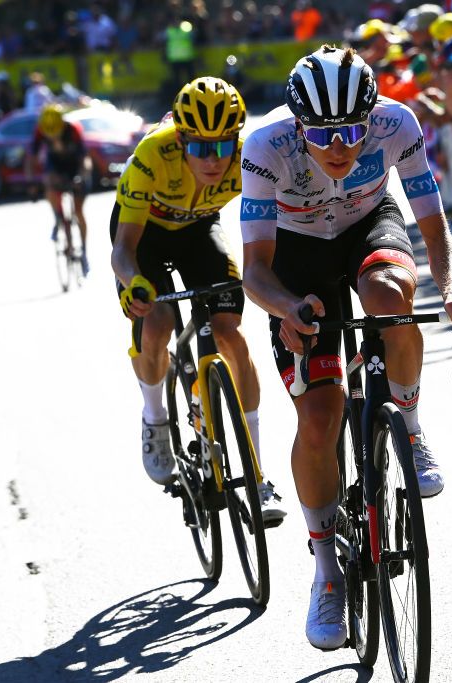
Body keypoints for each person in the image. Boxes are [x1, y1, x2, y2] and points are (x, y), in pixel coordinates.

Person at [239, 46, 452, 650]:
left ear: (371, 116)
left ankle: (407, 421)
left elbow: (437, 233)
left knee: (388, 292)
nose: (340, 146)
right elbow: (255, 270)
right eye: (323, 135)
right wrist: (286, 308)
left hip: (365, 226)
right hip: (296, 255)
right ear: (298, 124)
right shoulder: (266, 147)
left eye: (353, 131)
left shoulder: (396, 124)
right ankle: (326, 572)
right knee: (320, 419)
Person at [111, 77, 286, 525]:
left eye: (222, 147)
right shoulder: (152, 155)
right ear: (181, 140)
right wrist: (134, 285)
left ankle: (259, 476)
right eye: (200, 149)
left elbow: (275, 223)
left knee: (232, 335)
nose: (212, 160)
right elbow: (124, 251)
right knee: (158, 324)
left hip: (198, 231)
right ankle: (155, 418)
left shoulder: (249, 158)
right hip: (144, 236)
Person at [27, 103, 90, 276]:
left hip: (74, 165)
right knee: (49, 182)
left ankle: (84, 252)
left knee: (78, 210)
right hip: (55, 166)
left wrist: (81, 177)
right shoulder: (40, 130)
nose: (53, 136)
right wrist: (32, 183)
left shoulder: (73, 129)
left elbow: (85, 159)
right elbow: (31, 158)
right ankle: (58, 217)